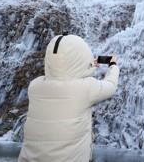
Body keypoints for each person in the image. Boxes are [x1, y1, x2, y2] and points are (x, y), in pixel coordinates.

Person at [18, 34, 119, 162]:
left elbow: (64, 69)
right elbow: (110, 85)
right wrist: (113, 65)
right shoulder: (86, 88)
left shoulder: (35, 86)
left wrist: (90, 65)